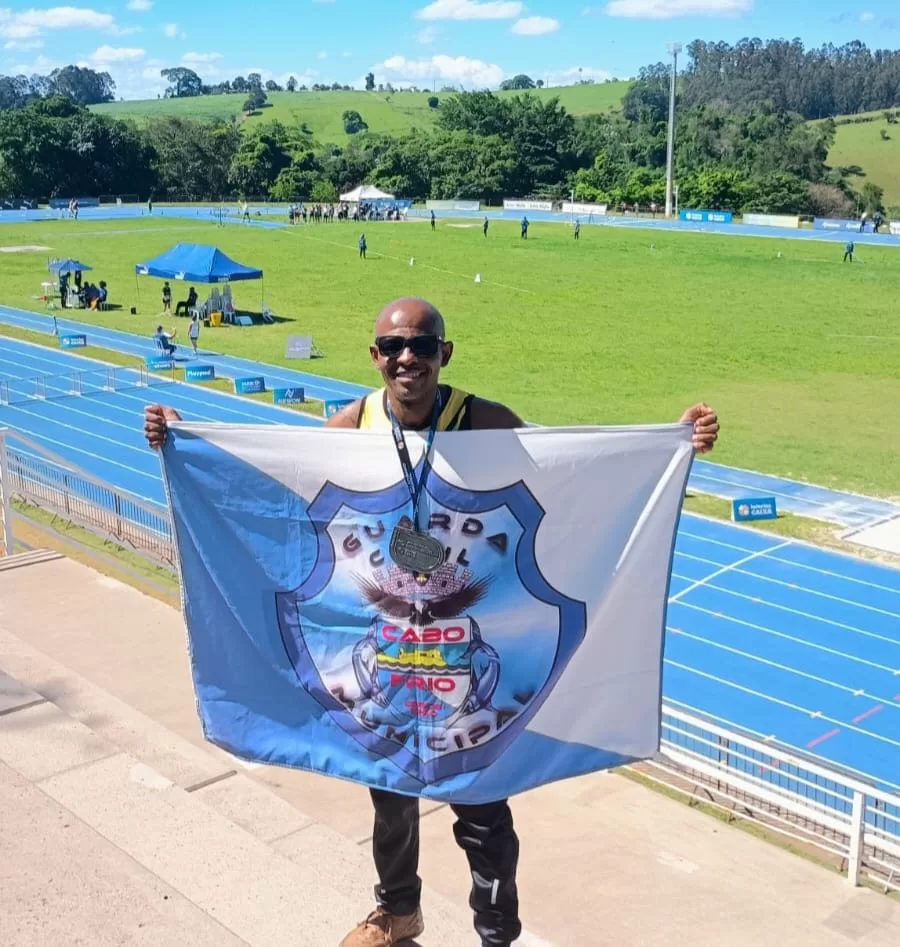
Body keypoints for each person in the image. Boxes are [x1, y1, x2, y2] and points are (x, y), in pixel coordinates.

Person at [143, 296, 719, 947]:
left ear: (445, 352)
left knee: (482, 804)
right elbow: (281, 491)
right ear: (375, 356)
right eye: (393, 347)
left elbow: (565, 488)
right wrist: (183, 439)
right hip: (385, 646)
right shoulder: (353, 423)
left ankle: (497, 933)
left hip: (465, 650)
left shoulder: (483, 421)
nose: (407, 357)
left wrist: (669, 448)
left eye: (421, 344)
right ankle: (397, 912)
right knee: (386, 792)